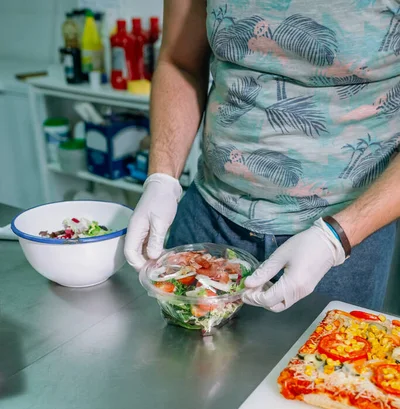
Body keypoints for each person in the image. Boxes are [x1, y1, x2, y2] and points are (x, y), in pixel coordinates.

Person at [124, 0, 400, 312]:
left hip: (346, 237)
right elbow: (179, 62)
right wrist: (162, 178)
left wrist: (335, 239)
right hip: (209, 217)